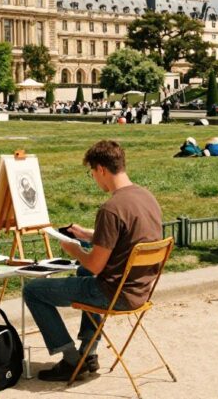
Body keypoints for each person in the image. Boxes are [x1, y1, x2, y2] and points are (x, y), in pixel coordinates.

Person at [23, 140, 162, 382]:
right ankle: (89, 351)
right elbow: (127, 239)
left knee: (33, 291)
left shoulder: (111, 208)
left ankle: (70, 360)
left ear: (101, 170)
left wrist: (73, 248)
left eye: (92, 174)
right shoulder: (146, 197)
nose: (95, 180)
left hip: (113, 293)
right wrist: (87, 234)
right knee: (82, 276)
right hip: (140, 289)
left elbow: (95, 265)